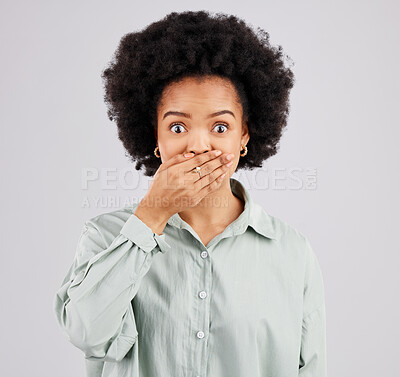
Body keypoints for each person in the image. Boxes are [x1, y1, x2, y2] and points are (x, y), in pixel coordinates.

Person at [53, 10, 327, 377]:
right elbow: (87, 334)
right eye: (178, 126)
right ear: (156, 137)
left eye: (220, 126)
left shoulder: (291, 252)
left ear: (244, 135)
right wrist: (151, 215)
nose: (198, 145)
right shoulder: (105, 237)